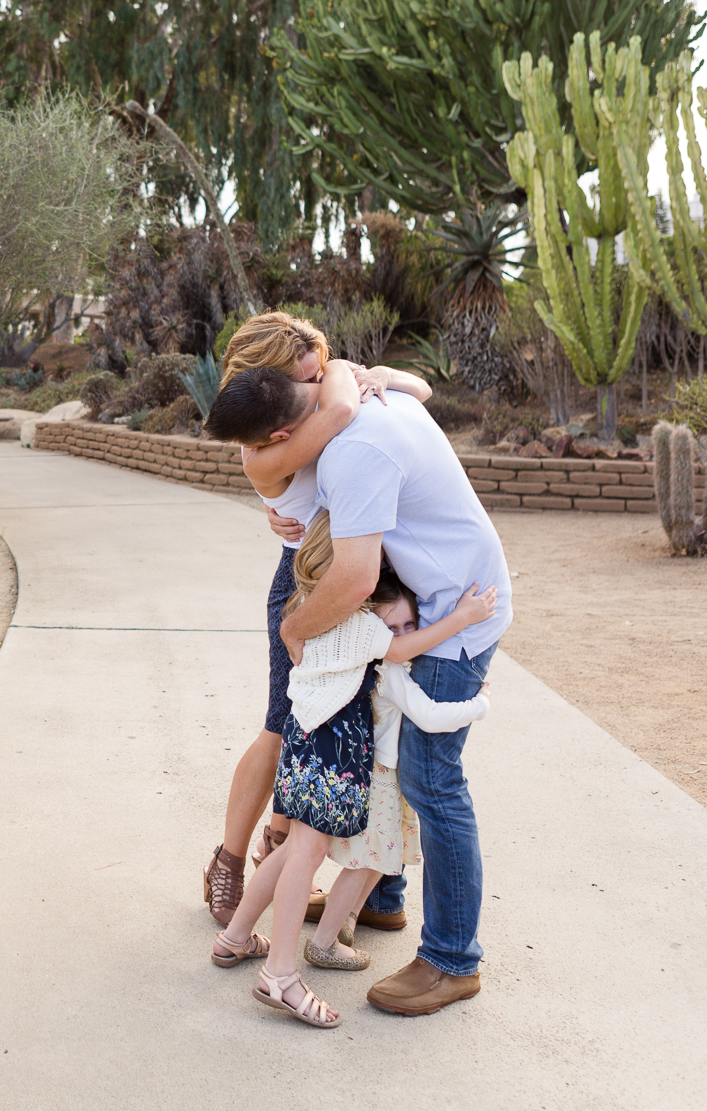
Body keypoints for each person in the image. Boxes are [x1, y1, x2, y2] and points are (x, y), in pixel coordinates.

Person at [213, 363, 512, 1017]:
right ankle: (378, 900)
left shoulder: (353, 454)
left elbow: (352, 579)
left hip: (450, 612)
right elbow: (411, 387)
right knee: (396, 776)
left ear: (290, 429)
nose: (268, 463)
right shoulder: (353, 399)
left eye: (268, 449)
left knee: (432, 782)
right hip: (426, 607)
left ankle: (452, 960)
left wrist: (294, 628)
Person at [201, 314, 431, 930]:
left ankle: (366, 886)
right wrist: (349, 384)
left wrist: (372, 373)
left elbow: (418, 393)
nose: (319, 379)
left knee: (374, 733)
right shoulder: (270, 439)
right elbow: (339, 418)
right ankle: (229, 862)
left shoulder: (326, 385)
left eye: (320, 368)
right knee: (284, 727)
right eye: (304, 377)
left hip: (363, 582)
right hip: (308, 588)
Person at [301, 571, 495, 970]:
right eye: (394, 628)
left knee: (381, 859)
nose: (405, 633)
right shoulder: (390, 673)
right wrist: (481, 703)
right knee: (365, 863)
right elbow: (429, 715)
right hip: (382, 781)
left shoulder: (384, 666)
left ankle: (347, 921)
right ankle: (322, 944)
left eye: (411, 624)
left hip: (384, 777)